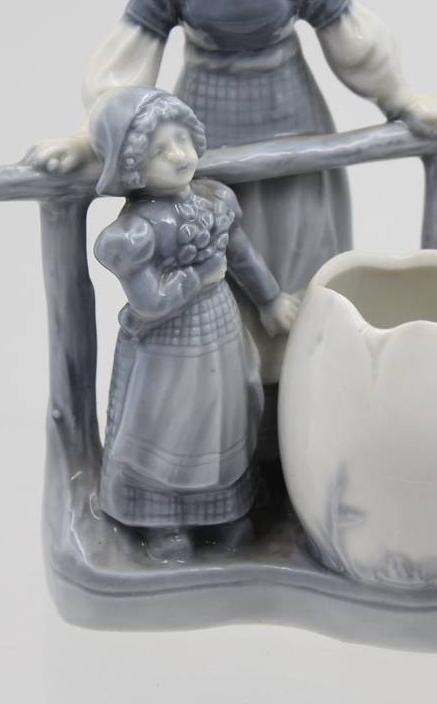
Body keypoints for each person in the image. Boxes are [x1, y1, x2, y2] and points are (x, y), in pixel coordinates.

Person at [25, 0, 437, 396]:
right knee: (218, 259)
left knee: (301, 258)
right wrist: (89, 136)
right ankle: (237, 409)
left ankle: (308, 401)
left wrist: (401, 99)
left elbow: (353, 40)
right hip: (201, 142)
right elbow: (126, 63)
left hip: (294, 127)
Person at [89, 86, 299, 560]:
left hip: (219, 330)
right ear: (131, 166)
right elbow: (149, 301)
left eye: (182, 139)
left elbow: (241, 255)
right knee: (170, 426)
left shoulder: (215, 200)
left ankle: (224, 511)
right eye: (159, 151)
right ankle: (164, 521)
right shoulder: (137, 232)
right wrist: (199, 278)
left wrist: (270, 299)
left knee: (223, 417)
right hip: (167, 345)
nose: (179, 155)